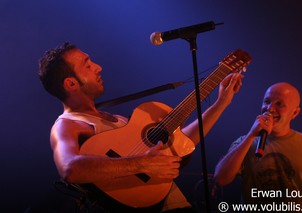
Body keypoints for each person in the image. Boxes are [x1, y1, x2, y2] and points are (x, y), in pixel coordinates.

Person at [38, 42, 243, 213]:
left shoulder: (117, 119)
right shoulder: (66, 125)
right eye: (87, 65)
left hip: (176, 204)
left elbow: (181, 143)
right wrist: (140, 164)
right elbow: (70, 168)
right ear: (71, 84)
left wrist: (220, 104)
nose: (98, 67)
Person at [214, 82, 302, 210]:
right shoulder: (245, 142)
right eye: (267, 101)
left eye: (279, 104)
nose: (270, 109)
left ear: (295, 113)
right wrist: (251, 135)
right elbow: (221, 179)